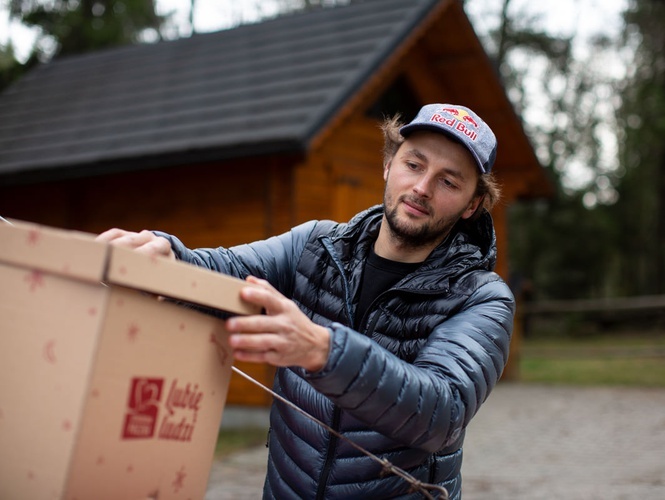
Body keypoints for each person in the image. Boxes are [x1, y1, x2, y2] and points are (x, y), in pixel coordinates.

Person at [97, 103, 515, 499]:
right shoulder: (315, 244)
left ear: (472, 205)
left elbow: (441, 414)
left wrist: (324, 351)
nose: (421, 188)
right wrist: (171, 257)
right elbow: (226, 269)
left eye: (448, 181)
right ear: (389, 164)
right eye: (414, 164)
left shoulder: (482, 297)